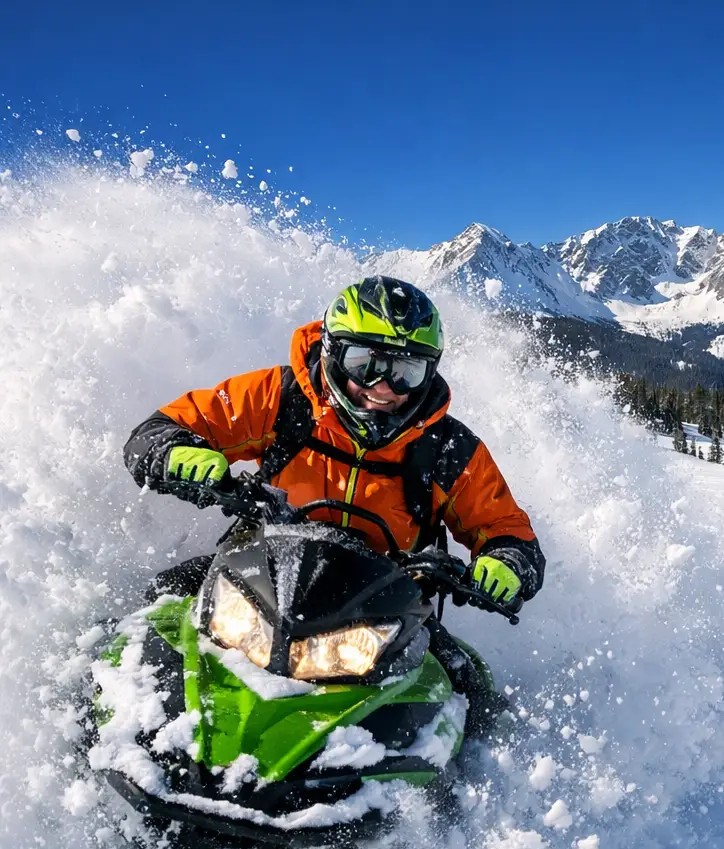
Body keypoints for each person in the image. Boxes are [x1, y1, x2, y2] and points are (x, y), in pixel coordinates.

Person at [124, 276, 544, 724]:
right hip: (257, 576)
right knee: (150, 614)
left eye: (406, 372)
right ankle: (100, 723)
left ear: (430, 372)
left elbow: (508, 531)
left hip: (386, 611)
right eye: (366, 363)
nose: (383, 387)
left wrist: (507, 565)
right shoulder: (283, 397)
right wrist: (176, 453)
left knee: (473, 699)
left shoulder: (448, 450)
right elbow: (161, 428)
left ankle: (486, 788)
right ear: (332, 351)